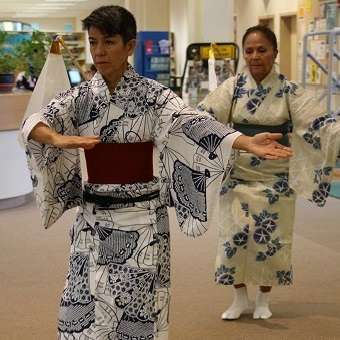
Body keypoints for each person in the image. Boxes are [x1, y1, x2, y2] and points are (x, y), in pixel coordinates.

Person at [21, 9, 292, 339]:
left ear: (130, 45)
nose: (100, 51)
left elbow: (192, 123)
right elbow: (34, 122)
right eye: (93, 42)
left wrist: (244, 141)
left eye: (109, 42)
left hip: (143, 216)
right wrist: (58, 138)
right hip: (93, 217)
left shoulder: (153, 95)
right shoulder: (80, 98)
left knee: (141, 306)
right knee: (82, 302)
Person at [198, 25, 340, 321]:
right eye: (249, 50)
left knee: (270, 240)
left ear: (275, 53)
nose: (254, 56)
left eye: (262, 50)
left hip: (276, 180)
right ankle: (239, 298)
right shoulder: (233, 87)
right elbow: (205, 119)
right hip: (237, 176)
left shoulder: (289, 90)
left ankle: (263, 298)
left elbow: (318, 125)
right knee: (232, 236)